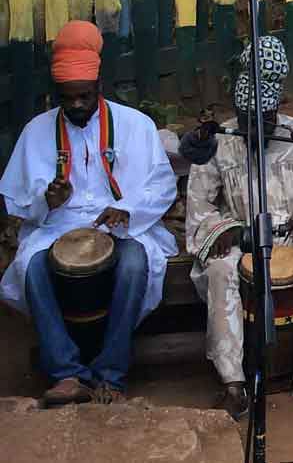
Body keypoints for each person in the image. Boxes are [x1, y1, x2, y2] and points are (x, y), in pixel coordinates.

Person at [0, 21, 177, 406]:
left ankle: (111, 374)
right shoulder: (36, 131)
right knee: (30, 266)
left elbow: (163, 185)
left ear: (100, 86)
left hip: (124, 227)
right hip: (57, 228)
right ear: (56, 94)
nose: (77, 105)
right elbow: (16, 200)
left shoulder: (135, 125)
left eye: (84, 96)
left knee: (133, 265)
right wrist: (48, 199)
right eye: (68, 98)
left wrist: (126, 209)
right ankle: (67, 374)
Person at [185, 36, 293, 418]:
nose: (258, 128)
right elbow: (200, 203)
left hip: (292, 231)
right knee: (222, 268)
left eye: (266, 119)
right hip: (242, 235)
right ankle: (233, 383)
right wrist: (226, 228)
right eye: (249, 120)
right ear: (238, 111)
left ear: (276, 110)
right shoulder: (219, 141)